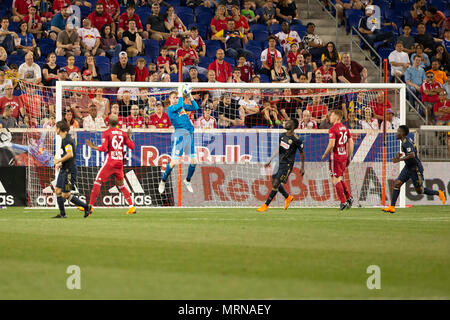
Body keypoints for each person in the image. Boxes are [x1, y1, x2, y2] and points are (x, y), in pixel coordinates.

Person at [382, 125, 445, 214]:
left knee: (420, 191)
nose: (397, 133)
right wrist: (399, 155)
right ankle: (392, 207)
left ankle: (439, 193)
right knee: (397, 184)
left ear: (402, 133)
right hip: (408, 167)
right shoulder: (404, 141)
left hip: (415, 169)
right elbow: (408, 153)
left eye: (398, 131)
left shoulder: (406, 142)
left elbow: (412, 155)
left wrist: (399, 160)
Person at [85, 115, 136, 214]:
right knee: (121, 185)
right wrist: (129, 137)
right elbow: (132, 146)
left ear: (107, 122)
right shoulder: (122, 133)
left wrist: (94, 147)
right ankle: (131, 206)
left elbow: (104, 149)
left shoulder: (106, 133)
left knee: (97, 182)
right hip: (119, 162)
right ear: (117, 123)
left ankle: (90, 206)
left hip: (110, 162)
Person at [257, 118, 304, 212]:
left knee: (275, 184)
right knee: (274, 181)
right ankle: (288, 197)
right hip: (279, 162)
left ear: (293, 126)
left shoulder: (296, 139)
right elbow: (279, 148)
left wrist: (302, 167)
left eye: (288, 122)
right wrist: (270, 159)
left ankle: (266, 205)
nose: (286, 123)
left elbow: (302, 153)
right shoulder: (282, 135)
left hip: (287, 165)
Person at [158, 84, 199, 194]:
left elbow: (196, 107)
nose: (176, 99)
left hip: (189, 135)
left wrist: (189, 96)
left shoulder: (182, 107)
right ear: (170, 99)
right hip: (179, 136)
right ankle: (163, 181)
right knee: (174, 162)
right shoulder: (170, 109)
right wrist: (181, 92)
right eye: (174, 97)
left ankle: (187, 180)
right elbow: (181, 103)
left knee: (194, 162)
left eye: (177, 97)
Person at [52, 120, 92, 218]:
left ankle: (86, 207)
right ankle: (62, 214)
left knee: (65, 195)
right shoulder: (65, 138)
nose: (55, 130)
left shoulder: (67, 139)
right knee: (58, 191)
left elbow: (70, 154)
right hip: (64, 168)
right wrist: (62, 163)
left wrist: (58, 160)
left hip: (69, 171)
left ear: (59, 129)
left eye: (55, 128)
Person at [321, 109, 354, 210]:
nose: (330, 117)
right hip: (343, 156)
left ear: (337, 117)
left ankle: (343, 202)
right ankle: (349, 197)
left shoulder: (333, 129)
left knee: (335, 180)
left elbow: (332, 144)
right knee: (339, 178)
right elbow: (351, 142)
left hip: (335, 157)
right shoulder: (345, 128)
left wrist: (325, 154)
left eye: (332, 115)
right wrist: (349, 156)